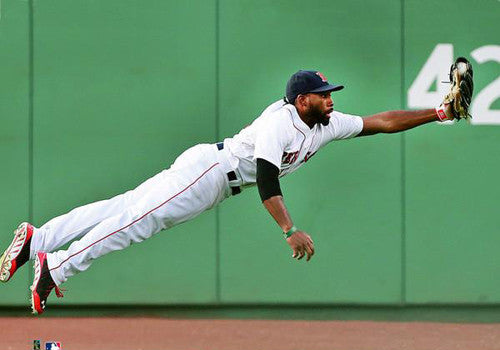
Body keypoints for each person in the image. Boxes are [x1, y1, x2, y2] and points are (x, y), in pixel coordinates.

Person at [0, 70, 456, 315]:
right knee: (136, 220)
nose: (331, 98)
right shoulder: (282, 122)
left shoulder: (326, 124)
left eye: (330, 92)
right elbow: (268, 179)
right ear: (301, 101)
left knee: (124, 208)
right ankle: (55, 266)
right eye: (323, 94)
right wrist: (289, 229)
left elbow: (381, 122)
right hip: (211, 174)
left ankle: (38, 240)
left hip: (210, 173)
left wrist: (438, 113)